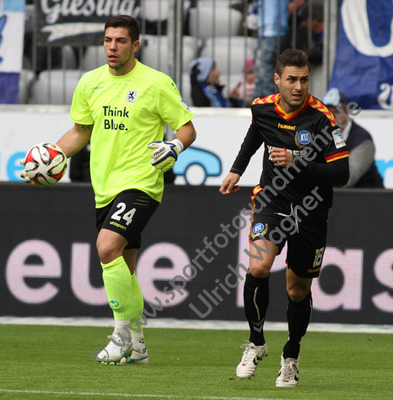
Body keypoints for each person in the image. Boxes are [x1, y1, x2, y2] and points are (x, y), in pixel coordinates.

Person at [21, 15, 196, 364]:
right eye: (107, 40)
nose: (112, 47)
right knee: (124, 270)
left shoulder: (156, 83)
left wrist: (175, 146)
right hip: (105, 187)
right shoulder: (90, 82)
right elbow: (80, 131)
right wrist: (49, 158)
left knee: (106, 247)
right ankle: (138, 344)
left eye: (120, 41)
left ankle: (119, 337)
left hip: (141, 184)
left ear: (135, 45)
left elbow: (187, 128)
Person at [219, 49, 349, 387]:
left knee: (296, 291)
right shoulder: (262, 108)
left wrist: (297, 160)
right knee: (259, 266)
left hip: (311, 209)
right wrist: (236, 170)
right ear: (277, 79)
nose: (299, 86)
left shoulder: (322, 118)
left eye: (304, 79)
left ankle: (290, 354)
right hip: (272, 200)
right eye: (292, 79)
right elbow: (253, 138)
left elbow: (342, 172)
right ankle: (256, 342)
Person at [323, 88, 384, 188]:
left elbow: (347, 179)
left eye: (336, 112)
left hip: (370, 199)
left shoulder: (362, 139)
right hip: (341, 199)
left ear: (347, 113)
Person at [253, 0, 289, 99]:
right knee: (260, 65)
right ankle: (261, 98)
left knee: (264, 65)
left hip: (273, 29)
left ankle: (268, 99)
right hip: (266, 29)